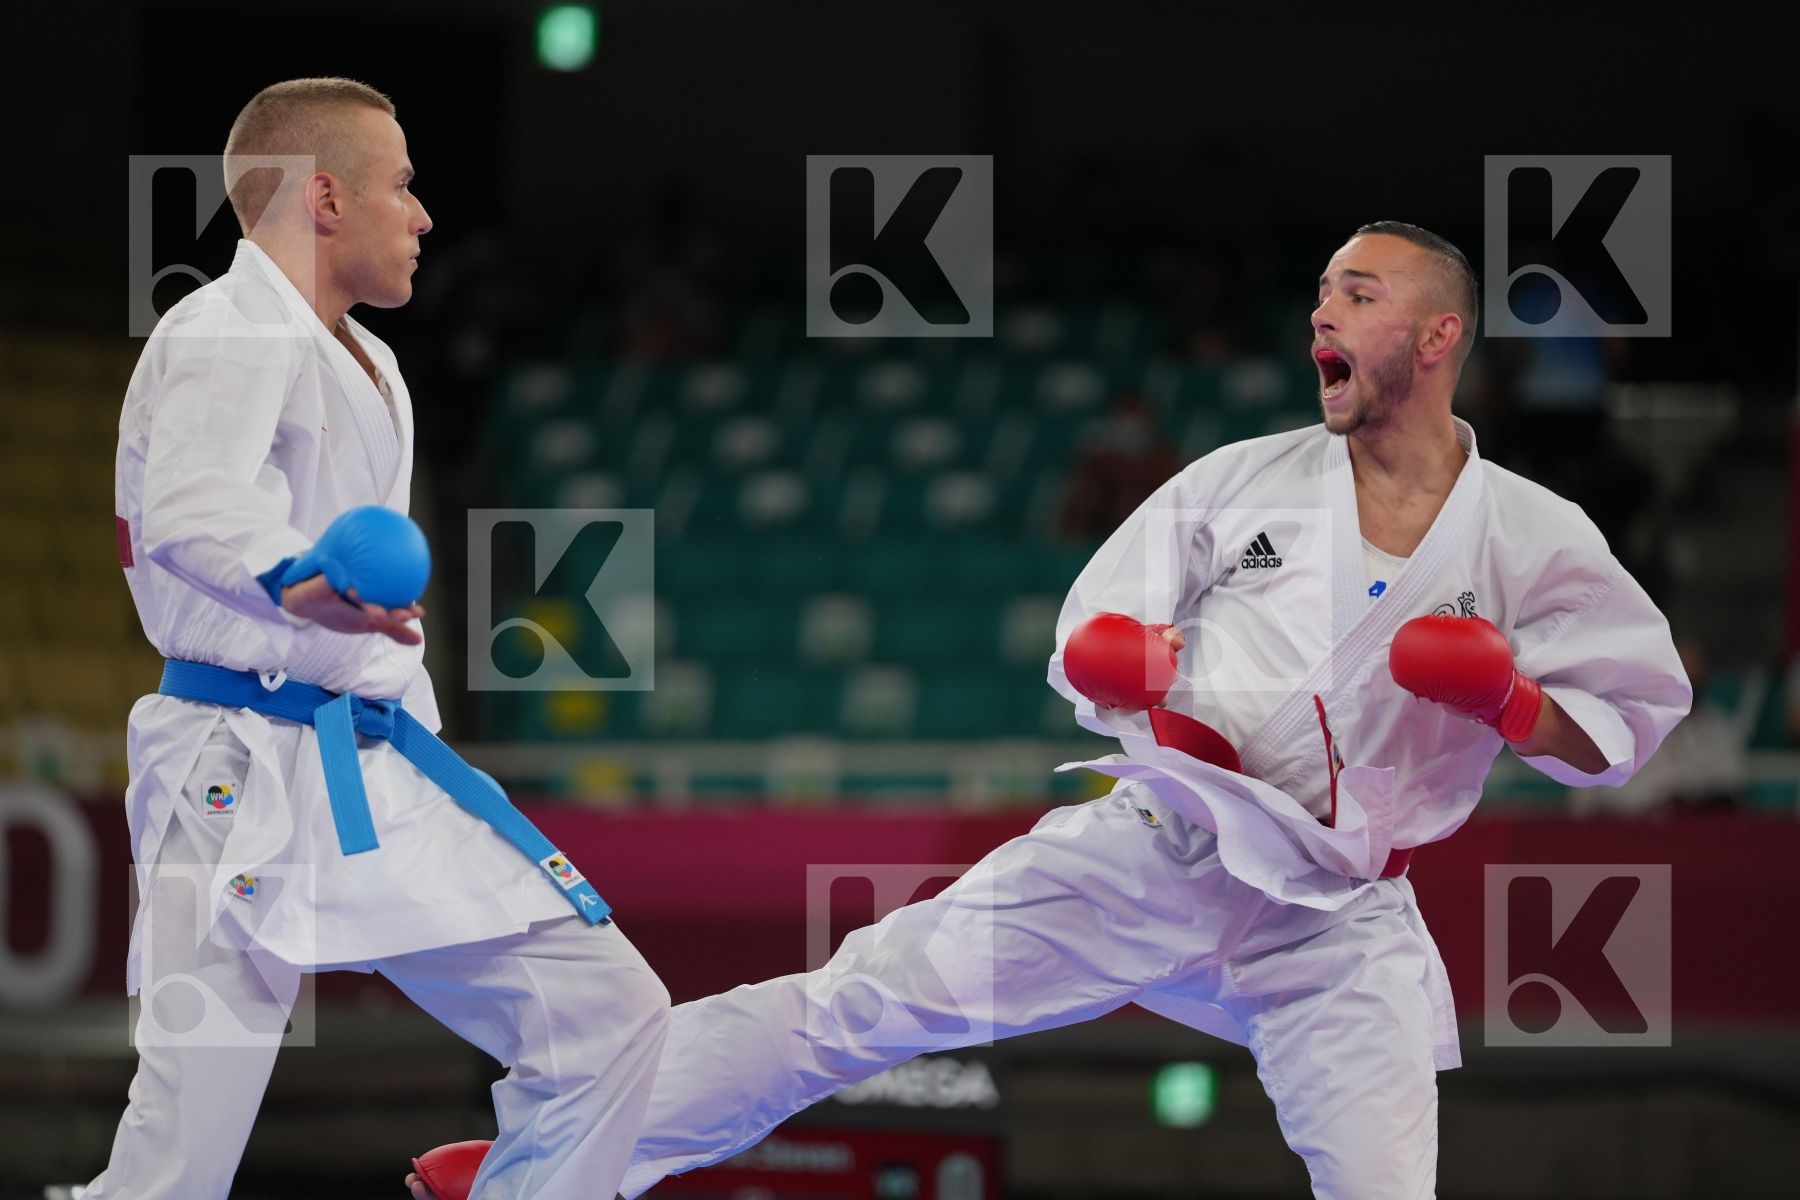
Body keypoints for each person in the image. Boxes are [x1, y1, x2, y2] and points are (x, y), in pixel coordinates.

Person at [411, 222, 1692, 1200]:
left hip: (1338, 919)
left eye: (1357, 294)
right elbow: (1094, 638)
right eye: (1319, 294)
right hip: (1159, 850)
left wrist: (1515, 701)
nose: (1322, 312)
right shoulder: (1240, 481)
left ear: (1439, 334)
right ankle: (547, 1166)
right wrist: (1114, 665)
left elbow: (1627, 724)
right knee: (857, 1002)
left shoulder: (1533, 533)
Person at [82, 78, 669, 1200]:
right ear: (324, 198)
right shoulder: (231, 323)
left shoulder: (369, 359)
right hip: (234, 768)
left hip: (366, 758)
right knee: (182, 1154)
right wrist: (296, 581)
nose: (423, 215)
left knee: (610, 1014)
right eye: (402, 185)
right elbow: (189, 503)